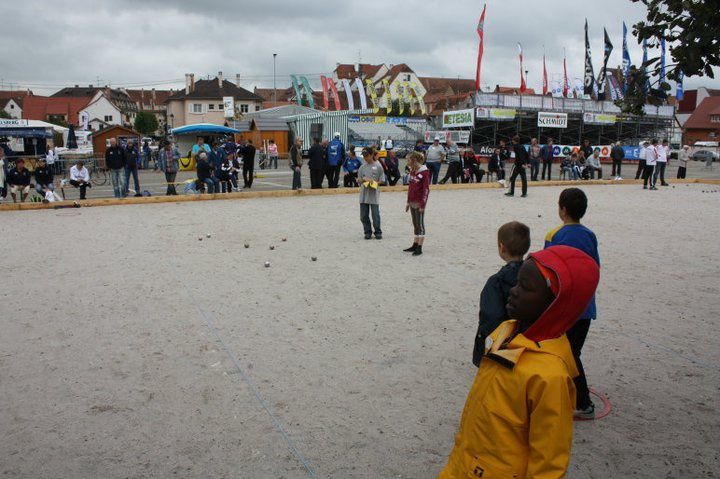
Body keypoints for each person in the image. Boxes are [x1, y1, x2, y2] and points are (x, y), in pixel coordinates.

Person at [439, 245, 600, 478]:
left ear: (556, 304)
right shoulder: (506, 332)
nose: (513, 291)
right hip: (463, 464)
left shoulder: (550, 377)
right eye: (517, 283)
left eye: (525, 287)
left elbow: (549, 465)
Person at [545, 187, 601, 419]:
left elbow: (549, 273)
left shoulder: (554, 235)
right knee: (572, 350)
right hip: (585, 306)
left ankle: (583, 402)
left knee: (566, 354)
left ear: (562, 210)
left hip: (563, 307)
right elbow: (594, 268)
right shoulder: (590, 235)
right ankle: (569, 392)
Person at [472, 221, 529, 367]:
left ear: (502, 248)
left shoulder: (496, 282)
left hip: (502, 345)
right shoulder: (532, 276)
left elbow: (490, 316)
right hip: (526, 341)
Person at [403, 151, 430, 256]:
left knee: (420, 224)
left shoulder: (424, 172)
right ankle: (415, 243)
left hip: (419, 202)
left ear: (414, 160)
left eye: (409, 160)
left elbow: (426, 190)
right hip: (412, 201)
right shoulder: (413, 172)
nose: (407, 162)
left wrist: (423, 205)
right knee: (415, 224)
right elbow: (410, 188)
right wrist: (408, 202)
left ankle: (420, 247)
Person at [358, 147, 386, 240]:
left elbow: (382, 180)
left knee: (375, 215)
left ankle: (378, 231)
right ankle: (367, 231)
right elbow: (359, 180)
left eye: (367, 156)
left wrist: (372, 182)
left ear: (371, 155)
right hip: (364, 194)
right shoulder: (362, 167)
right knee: (363, 215)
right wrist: (362, 180)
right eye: (364, 156)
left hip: (374, 193)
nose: (365, 158)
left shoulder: (378, 166)